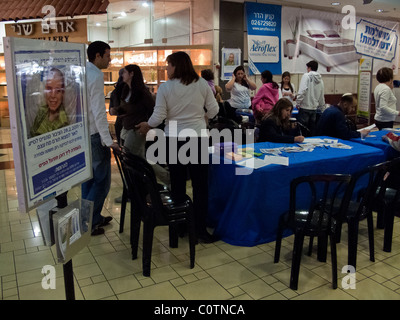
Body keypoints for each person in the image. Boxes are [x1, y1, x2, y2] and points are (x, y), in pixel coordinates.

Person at [136, 51, 219, 243]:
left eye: (168, 65)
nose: (166, 69)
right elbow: (214, 110)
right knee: (200, 186)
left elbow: (158, 117)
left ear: (176, 66)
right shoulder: (202, 84)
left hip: (174, 139)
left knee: (178, 184)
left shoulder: (166, 88)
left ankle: (180, 227)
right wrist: (201, 118)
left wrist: (146, 125)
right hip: (198, 139)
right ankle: (200, 229)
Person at [83, 40, 120, 236]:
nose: (110, 59)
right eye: (107, 55)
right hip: (95, 135)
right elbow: (98, 111)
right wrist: (108, 140)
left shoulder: (83, 72)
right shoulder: (95, 74)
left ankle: (91, 219)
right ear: (97, 56)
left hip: (84, 135)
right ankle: (86, 223)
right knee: (102, 181)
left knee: (87, 180)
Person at [30, 68, 69, 137]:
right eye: (49, 89)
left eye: (58, 91)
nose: (53, 95)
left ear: (63, 93)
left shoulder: (64, 121)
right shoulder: (41, 112)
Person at [296, 60, 325, 135]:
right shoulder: (320, 80)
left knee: (302, 132)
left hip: (305, 108)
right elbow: (321, 95)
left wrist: (298, 102)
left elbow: (302, 90)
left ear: (309, 68)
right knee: (311, 133)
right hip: (314, 109)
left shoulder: (306, 76)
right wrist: (322, 108)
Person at [109, 68, 126, 145]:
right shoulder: (135, 91)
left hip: (120, 123)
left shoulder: (115, 92)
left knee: (123, 150)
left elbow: (111, 111)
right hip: (132, 124)